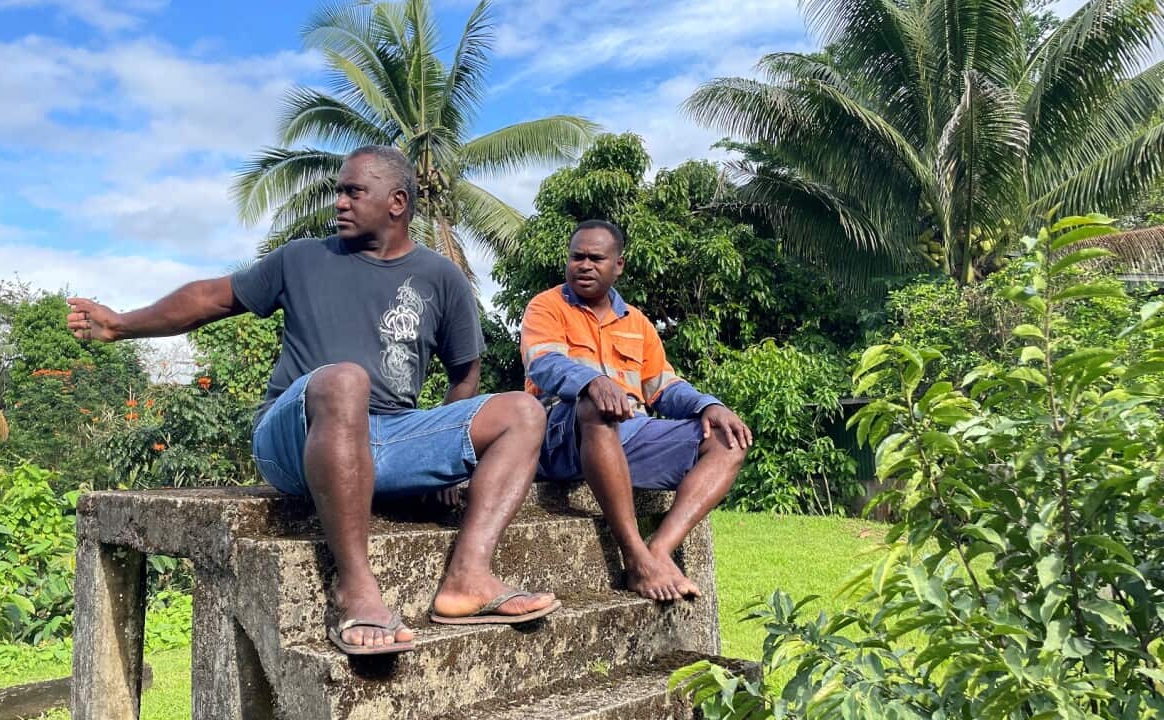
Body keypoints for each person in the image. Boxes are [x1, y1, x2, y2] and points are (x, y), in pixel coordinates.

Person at [67, 146, 559, 656]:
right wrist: (122, 325)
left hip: (386, 440)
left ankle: (468, 579)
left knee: (524, 411)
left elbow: (466, 376)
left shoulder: (442, 278)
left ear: (396, 202)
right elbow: (208, 299)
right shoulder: (302, 258)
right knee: (344, 380)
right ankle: (355, 587)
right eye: (338, 191)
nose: (339, 202)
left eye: (353, 191)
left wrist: (451, 470)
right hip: (294, 438)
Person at [519, 220, 751, 601]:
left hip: (630, 437)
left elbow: (661, 386)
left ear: (619, 265)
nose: (585, 265)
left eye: (596, 258)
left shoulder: (638, 323)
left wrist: (709, 405)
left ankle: (659, 549)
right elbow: (542, 364)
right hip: (562, 435)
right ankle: (635, 558)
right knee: (597, 404)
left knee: (729, 438)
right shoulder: (547, 306)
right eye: (577, 257)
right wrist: (591, 383)